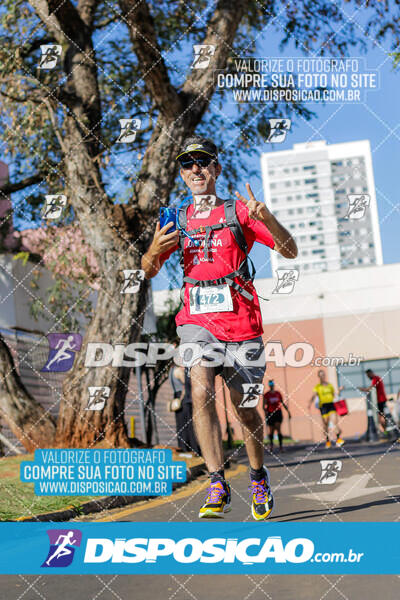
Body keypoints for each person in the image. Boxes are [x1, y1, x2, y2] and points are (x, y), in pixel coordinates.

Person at [142, 136, 297, 520]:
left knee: (244, 408)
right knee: (200, 392)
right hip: (196, 322)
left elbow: (289, 249)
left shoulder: (239, 212)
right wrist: (152, 250)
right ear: (182, 174)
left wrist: (266, 217)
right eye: (187, 163)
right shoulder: (174, 219)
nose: (195, 169)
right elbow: (146, 271)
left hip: (241, 322)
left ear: (216, 169)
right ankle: (216, 481)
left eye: (202, 162)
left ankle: (258, 475)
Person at [308, 369, 345, 448]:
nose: (322, 377)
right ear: (319, 377)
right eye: (321, 375)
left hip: (331, 405)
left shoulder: (329, 385)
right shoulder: (317, 387)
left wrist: (340, 389)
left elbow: (334, 394)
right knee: (325, 425)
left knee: (335, 422)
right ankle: (328, 441)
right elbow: (314, 395)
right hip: (323, 407)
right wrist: (310, 403)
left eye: (323, 375)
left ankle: (338, 439)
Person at [263, 379, 291, 452]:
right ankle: (271, 446)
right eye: (270, 384)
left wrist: (288, 412)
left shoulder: (278, 393)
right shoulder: (266, 395)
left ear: (274, 385)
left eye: (272, 384)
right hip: (270, 413)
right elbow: (264, 406)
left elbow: (282, 403)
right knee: (271, 431)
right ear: (269, 385)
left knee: (278, 429)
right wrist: (266, 413)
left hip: (278, 413)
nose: (272, 386)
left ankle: (281, 447)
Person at [359, 369, 388, 433]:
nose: (368, 377)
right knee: (381, 416)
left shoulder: (376, 378)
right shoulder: (376, 378)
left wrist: (362, 389)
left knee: (381, 417)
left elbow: (370, 388)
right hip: (381, 400)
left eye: (368, 375)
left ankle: (386, 431)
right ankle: (386, 430)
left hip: (380, 400)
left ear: (371, 373)